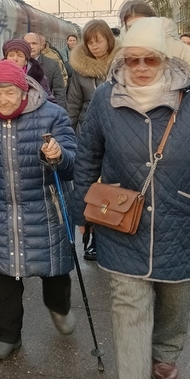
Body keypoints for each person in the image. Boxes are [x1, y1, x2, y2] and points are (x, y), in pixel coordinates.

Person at [72, 17, 190, 379]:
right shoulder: (106, 101)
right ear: (120, 60)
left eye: (149, 61)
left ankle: (166, 352)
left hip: (183, 219)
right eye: (131, 60)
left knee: (175, 298)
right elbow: (88, 156)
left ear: (165, 60)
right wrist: (81, 215)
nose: (139, 68)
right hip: (123, 221)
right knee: (128, 308)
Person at [0, 59, 77, 360]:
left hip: (46, 206)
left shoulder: (53, 116)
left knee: (54, 269)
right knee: (4, 275)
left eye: (8, 92)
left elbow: (73, 160)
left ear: (23, 91)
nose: (2, 100)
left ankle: (59, 308)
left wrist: (57, 155)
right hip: (0, 208)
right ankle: (7, 335)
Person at [65, 19, 118, 262]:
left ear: (109, 39)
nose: (95, 46)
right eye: (90, 42)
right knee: (90, 188)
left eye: (99, 41)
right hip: (87, 134)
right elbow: (73, 105)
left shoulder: (122, 63)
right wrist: (68, 135)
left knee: (112, 187)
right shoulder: (79, 70)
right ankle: (91, 238)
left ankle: (110, 236)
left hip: (118, 133)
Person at [117, 0, 190, 91]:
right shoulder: (123, 51)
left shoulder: (177, 48)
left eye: (143, 24)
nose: (138, 29)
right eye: (132, 27)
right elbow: (116, 81)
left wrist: (179, 100)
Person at [24, 32, 66, 107]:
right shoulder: (17, 64)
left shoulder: (52, 64)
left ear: (40, 45)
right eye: (27, 44)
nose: (31, 47)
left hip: (45, 108)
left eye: (34, 43)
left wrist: (59, 112)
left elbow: (59, 91)